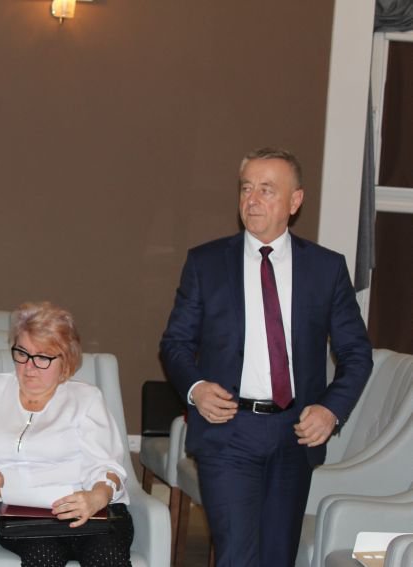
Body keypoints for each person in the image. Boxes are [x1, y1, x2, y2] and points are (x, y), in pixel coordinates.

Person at [160, 147, 373, 567]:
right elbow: (175, 343)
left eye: (267, 190)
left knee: (277, 557)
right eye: (246, 188)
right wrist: (196, 388)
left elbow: (356, 352)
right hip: (228, 430)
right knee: (237, 555)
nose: (252, 200)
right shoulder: (206, 263)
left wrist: (331, 409)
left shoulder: (326, 269)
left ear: (295, 201)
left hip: (294, 434)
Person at [0, 301, 133, 567]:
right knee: (43, 556)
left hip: (88, 512)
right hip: (24, 518)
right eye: (22, 353)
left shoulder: (86, 398)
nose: (29, 367)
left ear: (66, 361)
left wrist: (96, 497)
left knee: (106, 556)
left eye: (42, 358)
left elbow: (106, 465)